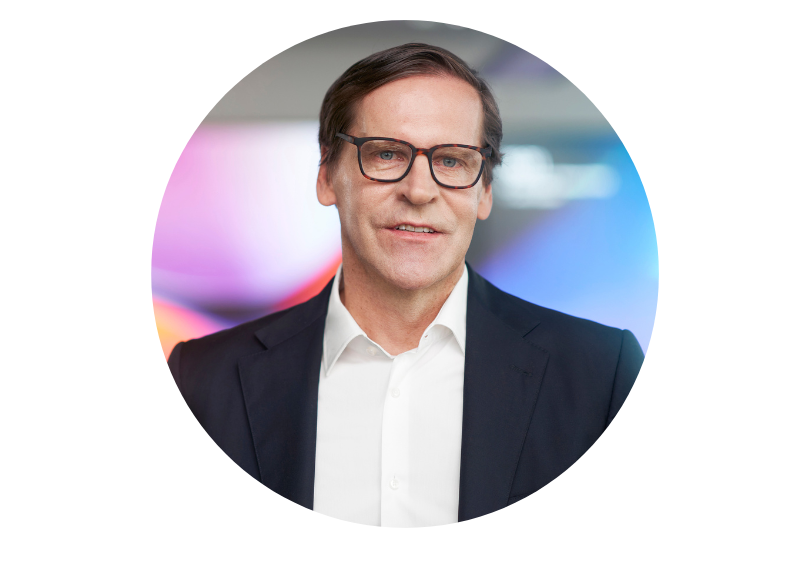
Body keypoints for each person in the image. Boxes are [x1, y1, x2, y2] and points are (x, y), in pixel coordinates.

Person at [167, 43, 644, 527]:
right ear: (327, 175)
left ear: (484, 191)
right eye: (387, 154)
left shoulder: (600, 376)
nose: (419, 191)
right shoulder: (203, 380)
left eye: (453, 161)